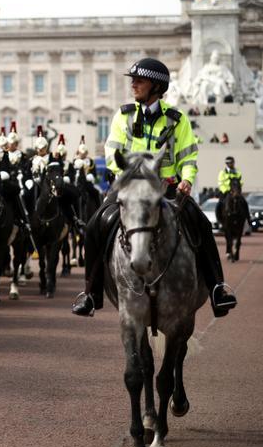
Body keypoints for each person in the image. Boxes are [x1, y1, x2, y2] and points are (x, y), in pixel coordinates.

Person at [71, 57, 237, 318]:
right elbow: (113, 152)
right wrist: (127, 176)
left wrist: (187, 178)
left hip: (167, 188)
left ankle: (217, 287)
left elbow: (188, 156)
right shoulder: (123, 115)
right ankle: (91, 293)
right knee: (94, 225)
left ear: (157, 86)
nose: (133, 85)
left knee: (201, 224)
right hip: (131, 187)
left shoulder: (177, 120)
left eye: (140, 80)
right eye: (133, 80)